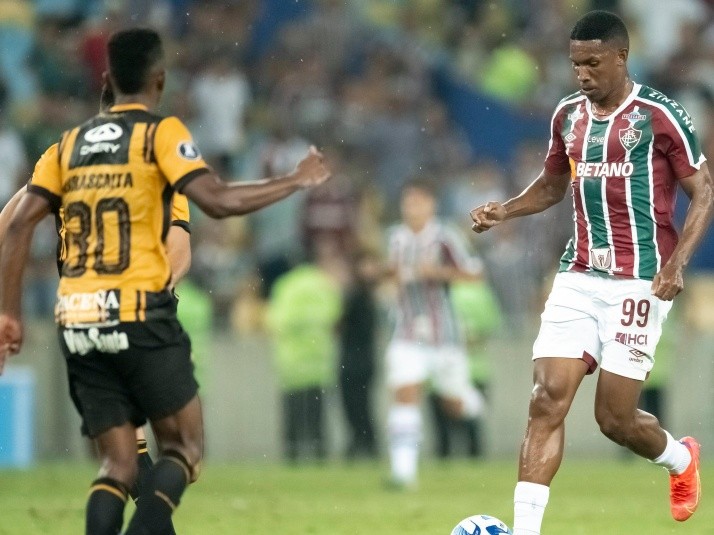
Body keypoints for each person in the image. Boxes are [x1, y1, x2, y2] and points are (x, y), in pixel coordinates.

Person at [0, 28, 330, 535]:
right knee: (184, 451)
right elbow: (197, 222)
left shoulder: (65, 148)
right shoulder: (158, 141)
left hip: (77, 318)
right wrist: (294, 180)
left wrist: (8, 312)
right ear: (158, 79)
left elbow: (12, 224)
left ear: (104, 81)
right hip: (139, 312)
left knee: (118, 466)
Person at [470, 11, 712, 534]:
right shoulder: (567, 116)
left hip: (640, 279)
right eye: (575, 63)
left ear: (621, 58)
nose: (581, 74)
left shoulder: (658, 114)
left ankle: (680, 459)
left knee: (614, 420)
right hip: (578, 275)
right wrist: (504, 210)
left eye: (592, 63)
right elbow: (553, 185)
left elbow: (704, 191)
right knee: (546, 400)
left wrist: (677, 264)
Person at [384, 178, 485, 489]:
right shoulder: (394, 238)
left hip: (444, 336)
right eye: (407, 201)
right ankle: (403, 474)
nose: (410, 208)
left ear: (431, 205)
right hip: (406, 331)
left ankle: (473, 401)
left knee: (454, 405)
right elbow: (384, 274)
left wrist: (437, 272)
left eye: (417, 201)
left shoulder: (445, 238)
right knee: (405, 394)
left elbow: (474, 274)